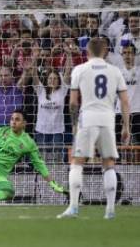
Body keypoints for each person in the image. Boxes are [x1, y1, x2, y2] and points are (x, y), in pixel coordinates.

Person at [58, 38, 130, 220]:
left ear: (87, 52)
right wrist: (126, 126)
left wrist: (74, 125)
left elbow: (73, 102)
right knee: (108, 164)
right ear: (105, 52)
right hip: (108, 119)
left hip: (87, 118)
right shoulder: (115, 71)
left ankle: (73, 207)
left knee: (77, 162)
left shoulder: (80, 70)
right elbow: (124, 101)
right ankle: (110, 210)